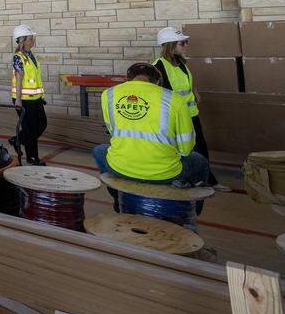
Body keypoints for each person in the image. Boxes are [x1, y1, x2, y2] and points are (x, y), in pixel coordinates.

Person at [92, 62, 211, 212]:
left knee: (99, 151)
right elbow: (186, 149)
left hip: (121, 166)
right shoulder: (174, 99)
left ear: (128, 79)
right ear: (157, 81)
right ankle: (192, 210)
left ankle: (117, 198)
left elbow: (112, 130)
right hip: (165, 173)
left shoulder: (108, 95)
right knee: (200, 161)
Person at [153, 26, 219, 187]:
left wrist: (194, 91)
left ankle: (206, 179)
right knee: (181, 150)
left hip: (191, 114)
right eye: (183, 42)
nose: (186, 45)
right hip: (176, 119)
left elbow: (183, 84)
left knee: (200, 148)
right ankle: (184, 178)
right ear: (170, 44)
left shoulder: (180, 63)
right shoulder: (158, 67)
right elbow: (161, 95)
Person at [11, 24, 47, 165]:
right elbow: (19, 78)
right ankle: (32, 158)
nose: (33, 40)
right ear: (22, 40)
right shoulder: (18, 57)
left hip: (36, 99)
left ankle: (18, 139)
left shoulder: (30, 55)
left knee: (42, 124)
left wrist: (40, 96)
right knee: (30, 130)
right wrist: (18, 100)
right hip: (24, 100)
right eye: (30, 38)